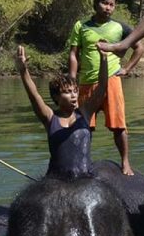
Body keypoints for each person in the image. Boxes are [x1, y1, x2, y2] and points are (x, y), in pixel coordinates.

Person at [68, 0, 144, 176]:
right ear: (95, 4)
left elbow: (139, 48)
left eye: (111, 4)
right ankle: (82, 162)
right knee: (84, 126)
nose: (108, 7)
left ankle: (125, 162)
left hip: (111, 81)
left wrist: (126, 69)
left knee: (119, 126)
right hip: (87, 82)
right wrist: (72, 78)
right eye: (104, 3)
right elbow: (73, 54)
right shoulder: (81, 26)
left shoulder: (120, 27)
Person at [16, 45, 108, 180]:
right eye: (67, 92)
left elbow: (101, 87)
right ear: (56, 97)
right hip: (55, 181)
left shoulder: (85, 113)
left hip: (85, 179)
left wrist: (104, 58)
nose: (73, 95)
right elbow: (34, 95)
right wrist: (23, 70)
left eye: (75, 91)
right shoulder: (49, 117)